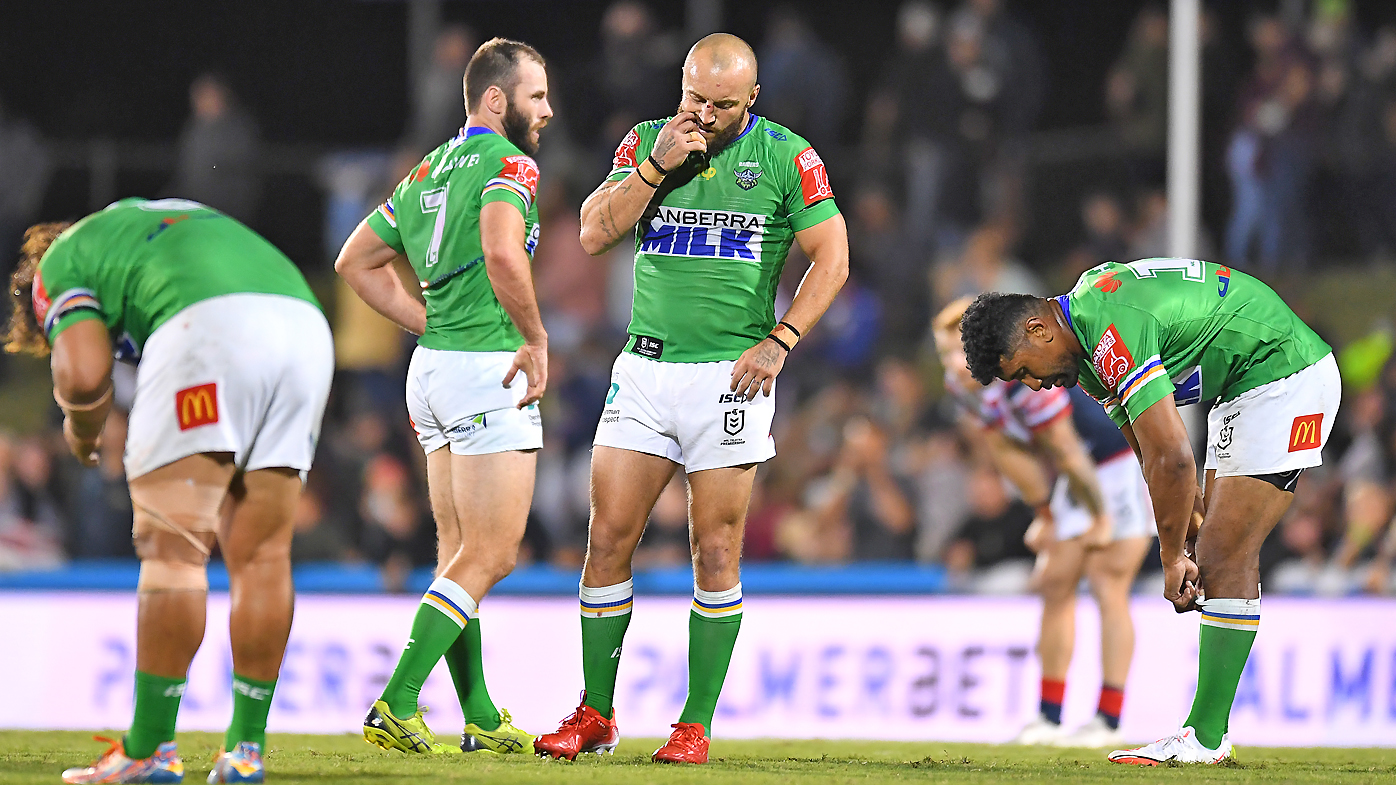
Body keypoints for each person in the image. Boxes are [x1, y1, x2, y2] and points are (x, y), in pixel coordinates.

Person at [533, 33, 848, 764]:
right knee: (607, 539)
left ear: (753, 98)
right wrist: (655, 167)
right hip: (645, 370)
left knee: (715, 548)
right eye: (695, 98)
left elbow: (832, 258)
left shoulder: (787, 156)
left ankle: (694, 723)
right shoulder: (649, 140)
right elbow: (592, 234)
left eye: (723, 104)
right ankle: (596, 713)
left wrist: (782, 340)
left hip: (729, 377)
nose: (704, 114)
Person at [958, 258, 1339, 765]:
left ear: (1037, 329)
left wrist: (1170, 557)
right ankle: (1207, 736)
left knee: (1225, 554)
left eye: (1024, 370)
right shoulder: (1086, 355)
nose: (1032, 385)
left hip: (1283, 372)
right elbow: (1148, 453)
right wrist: (1187, 534)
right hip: (1243, 388)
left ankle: (1205, 738)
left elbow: (1174, 457)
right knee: (1214, 549)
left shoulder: (1107, 324)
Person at [6, 198, 333, 783]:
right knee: (263, 555)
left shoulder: (59, 265)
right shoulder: (147, 225)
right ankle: (245, 753)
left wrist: (82, 432)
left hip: (208, 332)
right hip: (306, 326)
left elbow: (83, 375)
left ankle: (149, 749)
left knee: (173, 551)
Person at [335, 37, 552, 756]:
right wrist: (535, 337)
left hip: (431, 372)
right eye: (536, 95)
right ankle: (399, 699)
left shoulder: (427, 168)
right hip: (488, 368)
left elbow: (355, 260)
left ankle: (480, 714)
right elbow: (501, 248)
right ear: (495, 99)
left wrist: (426, 323)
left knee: (458, 554)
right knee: (492, 553)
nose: (547, 110)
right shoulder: (511, 164)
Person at [934, 298, 1154, 749]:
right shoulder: (964, 387)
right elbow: (1004, 448)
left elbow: (1068, 449)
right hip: (1076, 473)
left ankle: (1109, 720)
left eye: (958, 350)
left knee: (1108, 582)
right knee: (1055, 584)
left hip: (1119, 460)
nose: (953, 363)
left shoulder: (1022, 383)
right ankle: (1050, 716)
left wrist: (1100, 517)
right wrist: (1045, 514)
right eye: (944, 353)